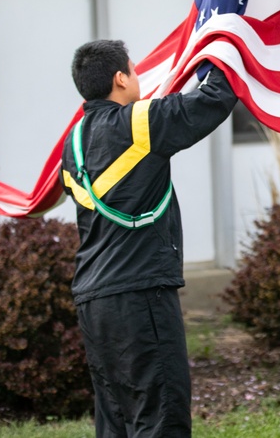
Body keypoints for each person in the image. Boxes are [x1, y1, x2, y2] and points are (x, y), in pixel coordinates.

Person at [61, 40, 237, 437]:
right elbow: (216, 97)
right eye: (135, 70)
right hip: (140, 294)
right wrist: (221, 42)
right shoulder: (139, 123)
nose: (139, 77)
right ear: (120, 78)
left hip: (93, 300)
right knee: (161, 417)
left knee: (116, 421)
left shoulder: (70, 147)